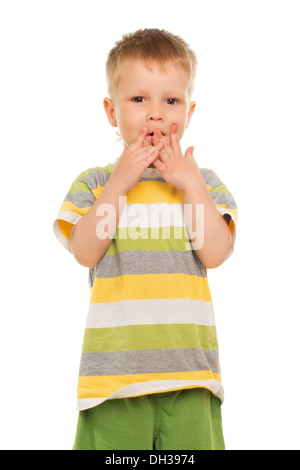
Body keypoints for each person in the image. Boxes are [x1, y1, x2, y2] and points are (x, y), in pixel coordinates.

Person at [53, 28, 238, 450]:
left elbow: (216, 252)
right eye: (139, 99)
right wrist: (120, 182)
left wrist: (190, 186)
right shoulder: (96, 183)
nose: (156, 114)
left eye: (170, 101)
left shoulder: (204, 185)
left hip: (191, 377)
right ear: (111, 111)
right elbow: (85, 252)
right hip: (113, 382)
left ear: (188, 112)